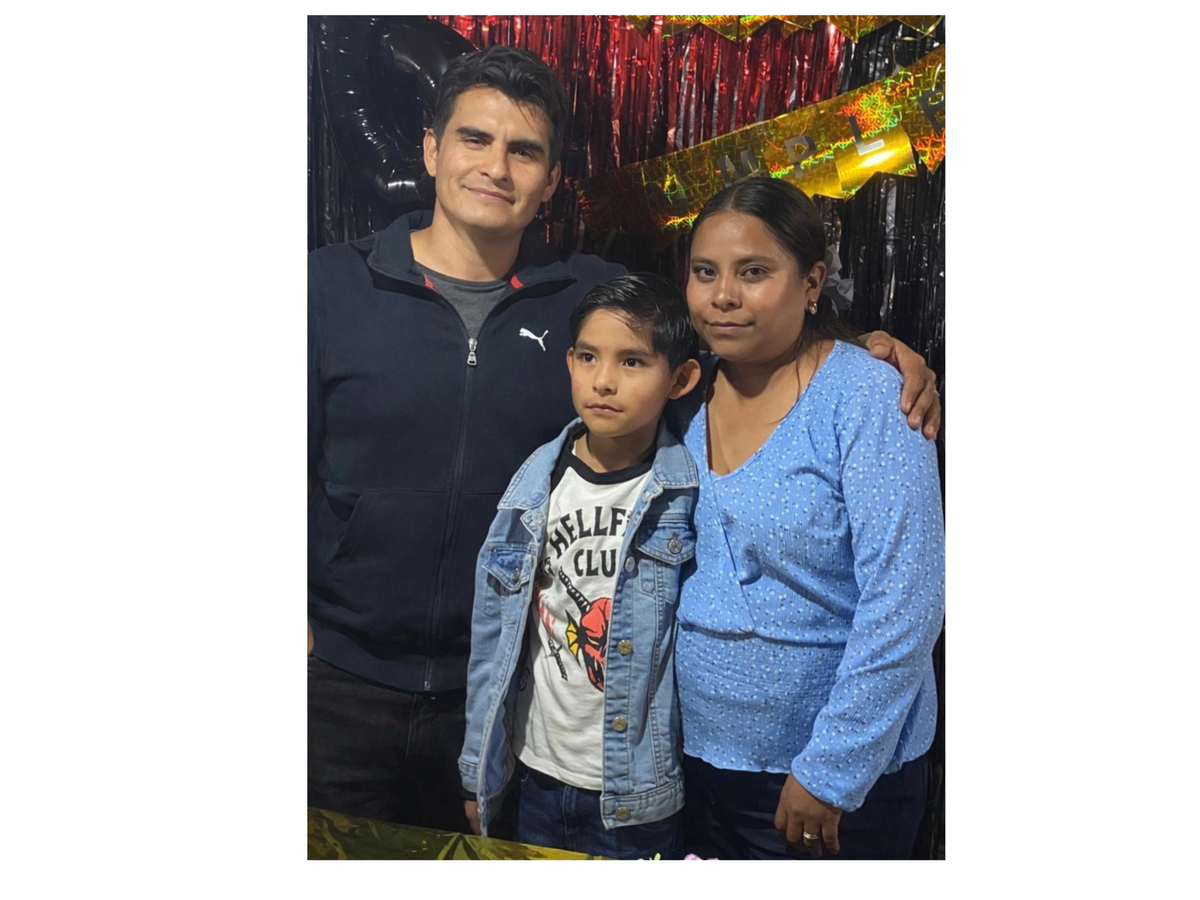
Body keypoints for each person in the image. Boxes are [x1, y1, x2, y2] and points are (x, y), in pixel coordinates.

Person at [308, 43, 940, 834]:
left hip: (529, 704)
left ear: (551, 178)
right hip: (345, 680)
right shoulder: (324, 287)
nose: (496, 167)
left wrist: (875, 353)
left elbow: (742, 341)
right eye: (474, 139)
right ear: (432, 149)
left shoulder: (592, 301)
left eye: (523, 150)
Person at [671, 176, 945, 860]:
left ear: (812, 282)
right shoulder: (680, 393)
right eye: (705, 272)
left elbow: (907, 599)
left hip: (828, 784)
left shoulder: (867, 397)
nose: (723, 295)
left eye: (753, 272)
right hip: (697, 761)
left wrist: (832, 770)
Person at [460, 273, 701, 859]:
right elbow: (492, 637)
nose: (604, 381)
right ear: (569, 361)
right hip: (534, 773)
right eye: (589, 357)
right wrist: (477, 768)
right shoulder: (533, 487)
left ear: (680, 379)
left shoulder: (687, 492)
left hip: (634, 792)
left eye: (633, 362)